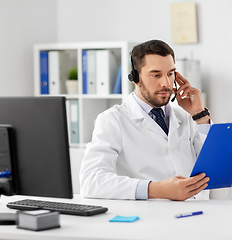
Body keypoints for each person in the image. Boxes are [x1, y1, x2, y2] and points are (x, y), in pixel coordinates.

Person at [80, 39, 211, 201]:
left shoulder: (186, 117)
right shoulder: (112, 120)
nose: (166, 83)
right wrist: (155, 189)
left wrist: (199, 115)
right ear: (135, 77)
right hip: (150, 219)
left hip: (198, 214)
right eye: (156, 75)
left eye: (170, 74)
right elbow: (91, 181)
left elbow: (213, 167)